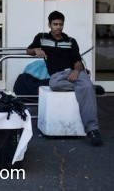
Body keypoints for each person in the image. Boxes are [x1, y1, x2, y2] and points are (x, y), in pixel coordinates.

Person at [26, 10, 103, 146]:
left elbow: (78, 62)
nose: (58, 27)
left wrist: (76, 70)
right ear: (49, 24)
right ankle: (90, 87)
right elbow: (28, 50)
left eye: (61, 24)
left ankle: (92, 130)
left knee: (84, 84)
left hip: (74, 72)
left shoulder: (71, 41)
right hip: (57, 76)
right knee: (54, 84)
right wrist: (36, 50)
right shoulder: (41, 37)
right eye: (55, 24)